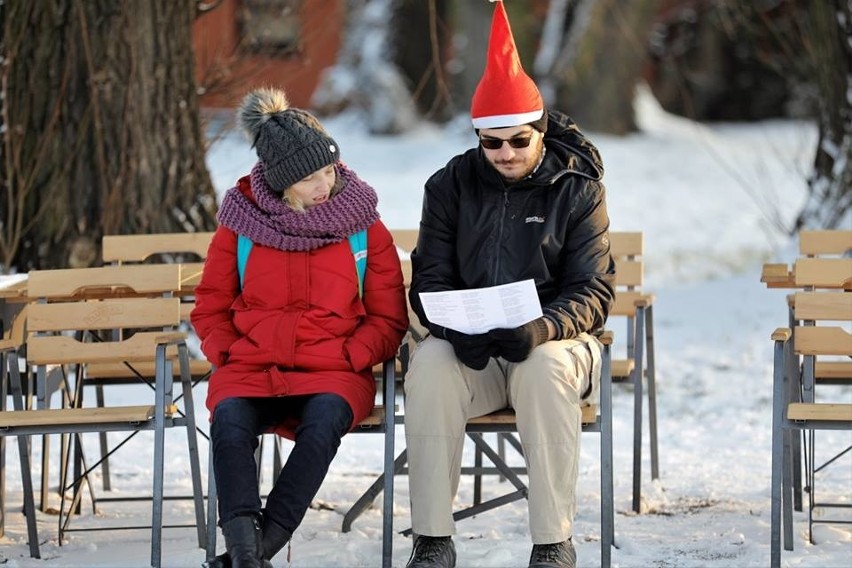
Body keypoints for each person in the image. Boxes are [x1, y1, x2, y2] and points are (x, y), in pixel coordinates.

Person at [403, 2, 615, 567]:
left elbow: (593, 289)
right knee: (429, 366)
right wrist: (451, 327)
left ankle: (553, 542)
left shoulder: (577, 189)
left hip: (555, 347)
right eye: (491, 143)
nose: (505, 154)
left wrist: (542, 328)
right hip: (478, 349)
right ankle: (432, 540)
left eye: (518, 141)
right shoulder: (449, 185)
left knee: (544, 370)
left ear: (540, 131)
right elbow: (430, 277)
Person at [191, 87, 408, 568]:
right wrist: (227, 351)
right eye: (310, 178)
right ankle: (247, 546)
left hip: (333, 369)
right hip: (251, 364)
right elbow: (210, 304)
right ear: (281, 182)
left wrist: (352, 356)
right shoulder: (241, 224)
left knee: (323, 424)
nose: (324, 185)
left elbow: (388, 316)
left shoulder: (363, 226)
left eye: (329, 170)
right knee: (228, 423)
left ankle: (252, 553)